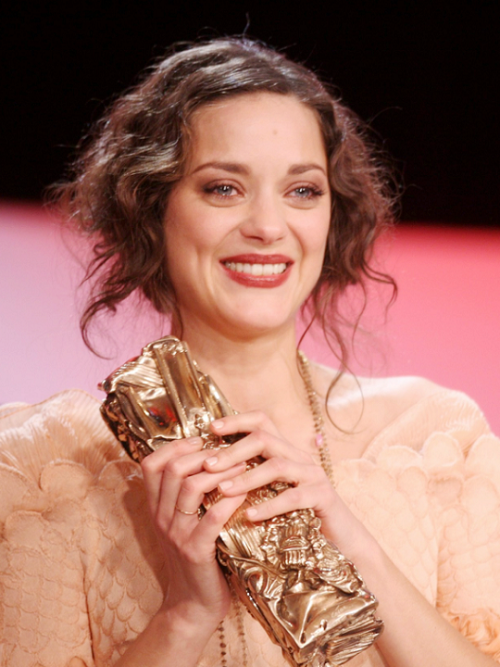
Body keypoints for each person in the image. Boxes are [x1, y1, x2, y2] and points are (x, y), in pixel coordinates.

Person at [0, 37, 499, 667]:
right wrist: (185, 614)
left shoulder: (433, 440)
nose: (268, 226)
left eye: (302, 191)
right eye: (223, 188)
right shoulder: (39, 468)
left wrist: (352, 538)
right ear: (152, 210)